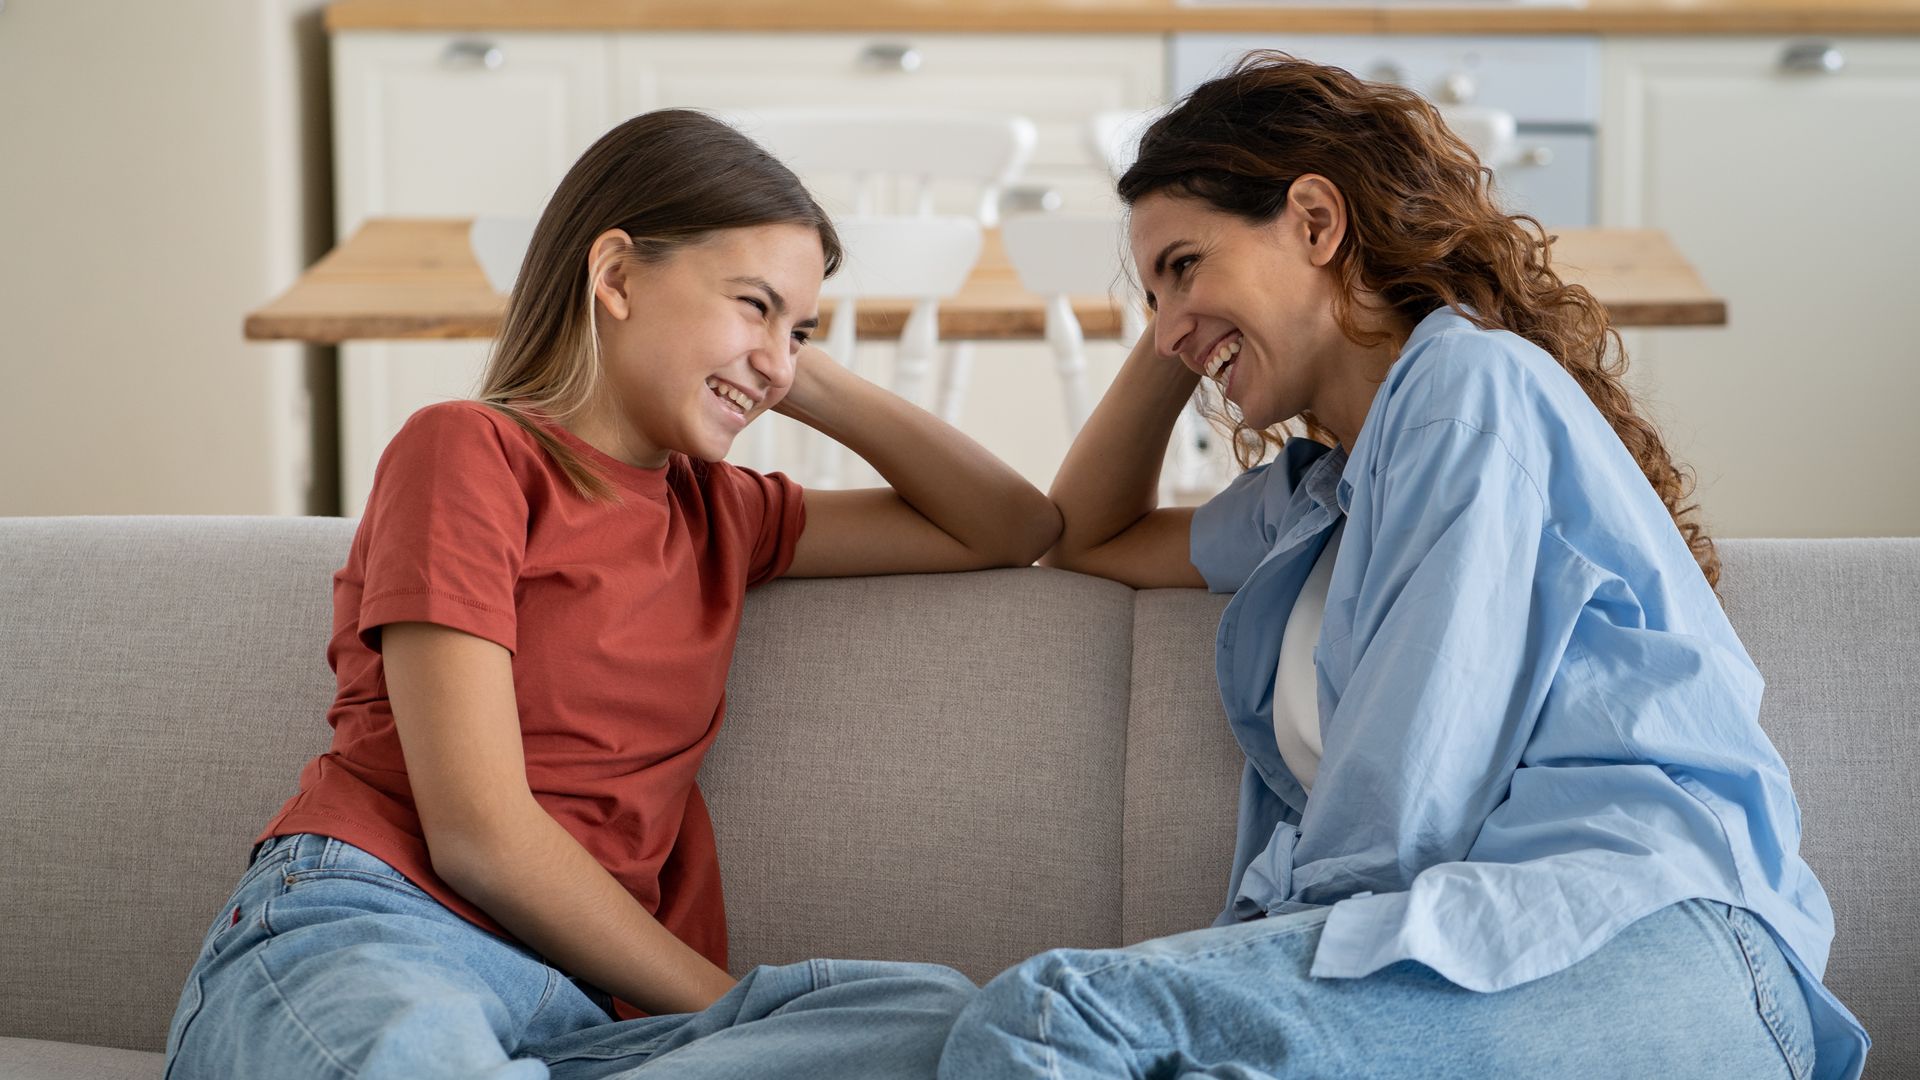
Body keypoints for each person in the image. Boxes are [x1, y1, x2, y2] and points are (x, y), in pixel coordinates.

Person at [941, 53, 1869, 1079]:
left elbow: (1402, 809)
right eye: (1153, 287)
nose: (1162, 323)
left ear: (1315, 222)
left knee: (1050, 1016)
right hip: (1473, 953)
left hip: (1645, 936)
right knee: (947, 1024)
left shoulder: (1468, 390)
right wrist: (1191, 324)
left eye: (1186, 263)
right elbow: (1085, 534)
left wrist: (1231, 962)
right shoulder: (1320, 496)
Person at [163, 109, 1060, 1080]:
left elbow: (1011, 527)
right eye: (752, 303)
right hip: (387, 930)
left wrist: (792, 370)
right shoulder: (470, 452)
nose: (777, 356)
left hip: (587, 1019)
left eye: (798, 328)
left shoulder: (725, 516)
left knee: (936, 1017)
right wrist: (733, 1015)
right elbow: (480, 838)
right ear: (618, 276)